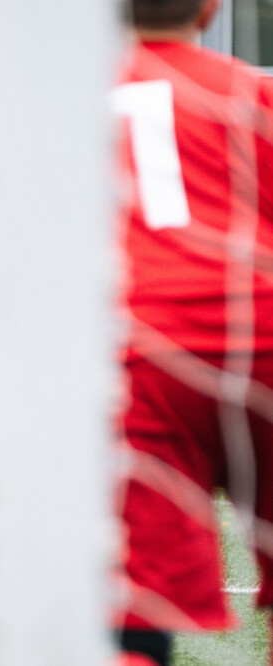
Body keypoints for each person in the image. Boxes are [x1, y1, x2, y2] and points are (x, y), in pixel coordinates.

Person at [112, 0, 273, 662]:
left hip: (144, 359)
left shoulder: (71, 111)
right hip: (260, 343)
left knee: (137, 591)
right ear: (210, 10)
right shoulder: (253, 93)